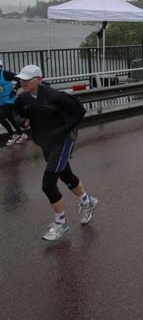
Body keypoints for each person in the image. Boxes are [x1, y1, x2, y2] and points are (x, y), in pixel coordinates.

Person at [13, 65, 97, 241]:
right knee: (66, 176)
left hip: (63, 142)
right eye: (22, 79)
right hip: (45, 143)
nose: (24, 82)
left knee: (48, 184)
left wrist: (64, 129)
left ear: (40, 80)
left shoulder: (55, 96)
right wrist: (23, 122)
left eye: (28, 79)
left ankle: (61, 223)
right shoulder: (23, 98)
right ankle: (87, 202)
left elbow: (79, 111)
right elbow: (18, 114)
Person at [0, 60, 26, 146]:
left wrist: (15, 90)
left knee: (1, 117)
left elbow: (20, 79)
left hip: (9, 99)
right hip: (1, 101)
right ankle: (22, 135)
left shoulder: (5, 74)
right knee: (10, 118)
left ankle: (12, 135)